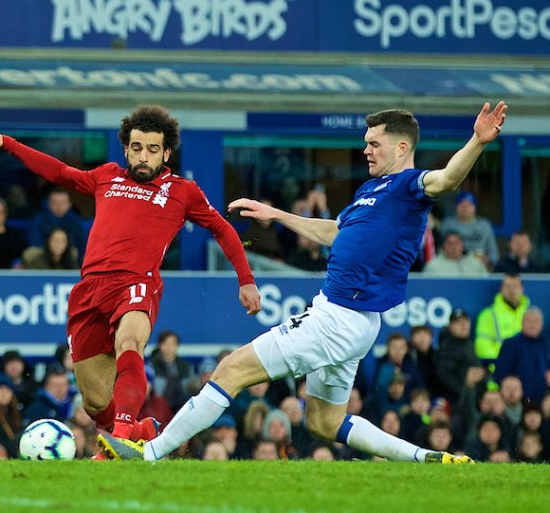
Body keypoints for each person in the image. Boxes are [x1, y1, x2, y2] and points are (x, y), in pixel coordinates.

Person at [99, 102, 507, 463]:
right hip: (351, 320)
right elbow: (334, 232)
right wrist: (274, 214)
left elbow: (447, 179)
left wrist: (477, 141)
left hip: (339, 318)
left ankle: (149, 452)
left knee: (229, 370)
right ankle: (426, 458)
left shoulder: (409, 186)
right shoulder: (370, 190)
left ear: (401, 148)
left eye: (374, 143)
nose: (365, 150)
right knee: (324, 422)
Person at [0, 105, 259, 444]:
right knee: (94, 402)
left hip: (136, 283)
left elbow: (222, 229)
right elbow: (59, 172)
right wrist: (4, 142)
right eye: (136, 148)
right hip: (89, 291)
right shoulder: (107, 176)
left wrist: (246, 279)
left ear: (165, 153)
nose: (143, 156)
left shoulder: (182, 191)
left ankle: (119, 438)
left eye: (151, 149)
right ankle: (138, 431)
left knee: (129, 344)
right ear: (126, 150)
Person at [494, 308, 549, 402]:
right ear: (522, 322)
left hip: (544, 398)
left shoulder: (546, 345)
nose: (532, 325)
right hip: (516, 400)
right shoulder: (510, 344)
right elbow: (501, 373)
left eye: (536, 321)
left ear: (541, 325)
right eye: (529, 321)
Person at [475, 273, 530, 363]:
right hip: (499, 370)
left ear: (522, 289)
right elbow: (483, 346)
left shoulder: (531, 315)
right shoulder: (488, 315)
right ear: (501, 289)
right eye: (507, 286)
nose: (512, 290)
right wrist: (503, 367)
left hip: (527, 370)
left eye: (515, 286)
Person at [441, 191, 499, 267]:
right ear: (456, 207)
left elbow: (494, 254)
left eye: (469, 205)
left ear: (475, 207)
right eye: (461, 205)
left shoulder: (484, 225)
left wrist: (488, 260)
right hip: (451, 265)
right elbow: (440, 249)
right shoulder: (447, 224)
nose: (465, 208)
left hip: (477, 266)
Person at [422, 232, 489, 276]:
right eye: (449, 243)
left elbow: (486, 282)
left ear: (462, 246)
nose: (453, 246)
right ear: (443, 246)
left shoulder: (475, 263)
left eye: (457, 243)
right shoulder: (433, 266)